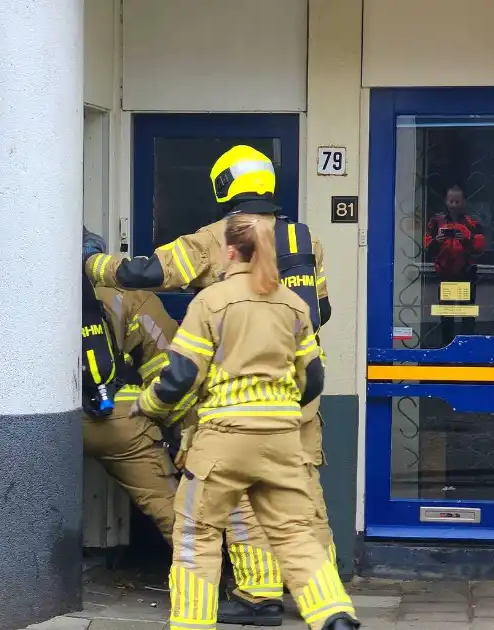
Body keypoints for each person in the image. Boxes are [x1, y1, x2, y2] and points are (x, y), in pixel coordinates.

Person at [84, 146, 335, 625]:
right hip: (298, 393)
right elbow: (320, 312)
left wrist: (93, 263)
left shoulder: (219, 237)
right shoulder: (305, 239)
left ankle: (258, 598)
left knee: (240, 495)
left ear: (224, 187)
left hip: (236, 401)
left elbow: (148, 273)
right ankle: (311, 596)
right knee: (301, 493)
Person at [132, 213, 360, 630]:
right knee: (294, 533)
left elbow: (180, 376)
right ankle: (334, 614)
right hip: (282, 440)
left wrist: (149, 405)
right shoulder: (293, 305)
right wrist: (281, 410)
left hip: (223, 440)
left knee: (196, 537)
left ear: (232, 251)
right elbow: (313, 377)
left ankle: (191, 622)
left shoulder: (212, 301)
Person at [80, 229, 194, 542]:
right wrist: (183, 429)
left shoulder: (19, 288)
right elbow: (168, 364)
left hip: (39, 424)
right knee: (172, 509)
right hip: (117, 419)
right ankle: (203, 580)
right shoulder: (128, 294)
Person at [424, 183, 485, 346]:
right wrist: (437, 241)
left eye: (457, 202)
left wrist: (466, 240)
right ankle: (446, 349)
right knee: (446, 316)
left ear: (464, 202)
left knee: (467, 315)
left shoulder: (472, 222)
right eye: (451, 201)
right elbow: (427, 247)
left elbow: (480, 248)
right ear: (446, 201)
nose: (454, 205)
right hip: (444, 274)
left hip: (467, 274)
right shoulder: (436, 221)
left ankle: (467, 351)